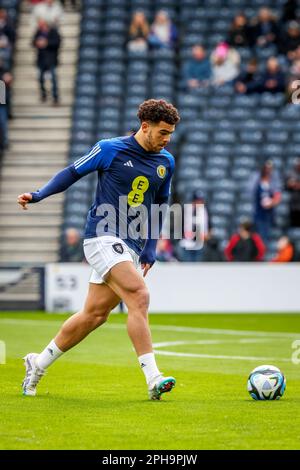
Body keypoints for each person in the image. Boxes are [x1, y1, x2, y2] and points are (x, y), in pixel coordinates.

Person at [18, 99, 180, 401]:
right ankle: (153, 378)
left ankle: (37, 364)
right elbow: (71, 172)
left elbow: (160, 206)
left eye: (170, 133)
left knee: (94, 315)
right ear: (145, 127)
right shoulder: (109, 149)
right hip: (102, 237)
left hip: (130, 245)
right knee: (139, 295)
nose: (167, 139)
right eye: (162, 132)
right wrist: (39, 195)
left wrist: (151, 248)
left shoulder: (166, 162)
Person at [249, 160, 282, 244]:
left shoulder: (274, 179)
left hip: (269, 213)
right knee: (256, 234)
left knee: (265, 234)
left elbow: (277, 194)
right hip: (258, 211)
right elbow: (250, 190)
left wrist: (272, 202)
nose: (268, 170)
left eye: (270, 168)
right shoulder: (257, 178)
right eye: (266, 168)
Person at [32, 19, 61, 104]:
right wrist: (37, 43)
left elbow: (57, 42)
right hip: (41, 60)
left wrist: (46, 43)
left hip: (51, 59)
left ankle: (55, 97)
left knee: (54, 79)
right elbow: (32, 42)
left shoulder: (53, 32)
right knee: (40, 78)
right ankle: (43, 95)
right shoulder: (38, 32)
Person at [286, 158, 300, 227]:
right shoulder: (291, 173)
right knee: (293, 224)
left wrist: (295, 184)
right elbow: (288, 185)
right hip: (293, 204)